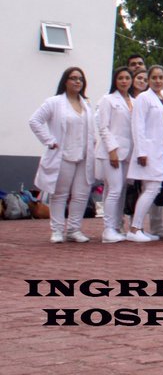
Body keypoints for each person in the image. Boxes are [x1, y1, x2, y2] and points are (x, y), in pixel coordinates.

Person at [29, 67, 96, 243]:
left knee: (81, 194)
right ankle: (57, 230)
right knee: (59, 194)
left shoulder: (86, 104)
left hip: (84, 156)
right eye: (73, 78)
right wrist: (49, 140)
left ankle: (74, 229)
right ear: (65, 81)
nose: (77, 81)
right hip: (63, 155)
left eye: (80, 79)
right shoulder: (54, 102)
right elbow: (35, 121)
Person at [125, 65, 163, 242]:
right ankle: (134, 229)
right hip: (148, 151)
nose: (158, 81)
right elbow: (137, 125)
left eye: (161, 77)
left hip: (161, 152)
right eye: (154, 78)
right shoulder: (144, 98)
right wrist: (141, 151)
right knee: (152, 188)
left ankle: (138, 228)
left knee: (150, 189)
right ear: (148, 80)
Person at [94, 67, 134, 243]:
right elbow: (103, 127)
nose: (124, 81)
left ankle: (117, 225)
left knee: (122, 190)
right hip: (111, 152)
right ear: (115, 81)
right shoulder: (107, 100)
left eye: (127, 78)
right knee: (114, 189)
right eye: (120, 78)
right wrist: (112, 150)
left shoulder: (134, 101)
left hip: (128, 153)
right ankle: (108, 229)